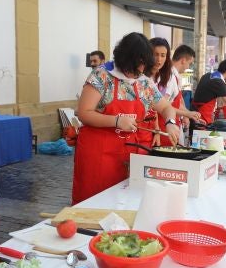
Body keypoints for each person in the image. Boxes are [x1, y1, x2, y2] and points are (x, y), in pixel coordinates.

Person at [72, 33, 181, 205]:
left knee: (127, 202)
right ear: (126, 59)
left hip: (129, 154)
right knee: (95, 204)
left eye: (143, 66)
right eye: (136, 66)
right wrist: (116, 121)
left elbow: (166, 107)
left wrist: (170, 122)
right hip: (99, 154)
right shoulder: (101, 76)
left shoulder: (143, 82)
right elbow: (84, 113)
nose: (139, 72)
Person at [148, 38, 201, 146]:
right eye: (155, 54)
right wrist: (187, 114)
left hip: (165, 125)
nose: (159, 60)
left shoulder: (165, 76)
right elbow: (160, 107)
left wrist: (186, 115)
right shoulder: (168, 76)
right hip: (158, 128)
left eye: (163, 55)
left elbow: (165, 105)